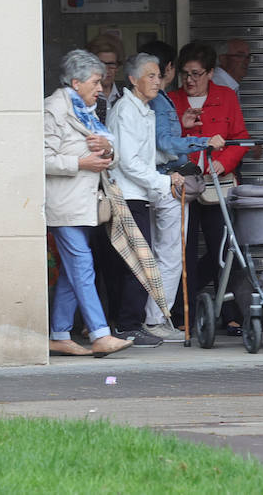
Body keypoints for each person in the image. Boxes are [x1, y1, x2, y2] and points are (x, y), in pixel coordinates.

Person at [43, 49, 135, 358]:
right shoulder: (54, 109)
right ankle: (99, 334)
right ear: (76, 81)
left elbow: (112, 155)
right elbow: (41, 159)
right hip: (65, 205)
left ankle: (58, 333)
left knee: (74, 271)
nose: (101, 87)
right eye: (96, 82)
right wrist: (80, 162)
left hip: (85, 206)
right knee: (82, 266)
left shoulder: (85, 108)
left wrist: (108, 148)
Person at [138, 40, 224, 336]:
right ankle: (158, 319)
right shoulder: (162, 101)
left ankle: (155, 317)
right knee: (170, 255)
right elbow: (163, 143)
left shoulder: (152, 101)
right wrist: (202, 141)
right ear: (170, 69)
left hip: (161, 182)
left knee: (163, 253)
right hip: (168, 183)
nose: (188, 79)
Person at [168, 42, 250, 334]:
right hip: (184, 184)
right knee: (183, 251)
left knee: (223, 249)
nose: (190, 80)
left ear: (211, 73)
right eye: (185, 74)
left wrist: (224, 162)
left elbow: (240, 137)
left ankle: (230, 312)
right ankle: (182, 314)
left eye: (196, 74)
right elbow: (163, 140)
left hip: (218, 184)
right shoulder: (172, 99)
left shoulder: (226, 96)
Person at [107, 53, 188, 346]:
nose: (157, 81)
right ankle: (128, 325)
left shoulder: (143, 109)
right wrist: (164, 180)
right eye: (150, 76)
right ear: (133, 80)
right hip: (128, 194)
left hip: (141, 193)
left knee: (142, 260)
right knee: (139, 262)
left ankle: (132, 323)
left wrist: (170, 166)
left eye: (158, 75)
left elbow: (145, 155)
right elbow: (128, 161)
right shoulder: (126, 111)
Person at [86, 32, 126, 123]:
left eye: (111, 64)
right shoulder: (85, 96)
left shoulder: (125, 95)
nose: (106, 70)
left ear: (118, 66)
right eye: (101, 65)